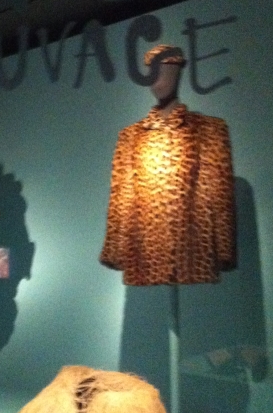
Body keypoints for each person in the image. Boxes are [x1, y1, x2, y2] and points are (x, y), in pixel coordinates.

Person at [100, 44, 236, 285]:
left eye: (164, 70)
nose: (157, 80)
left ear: (178, 71)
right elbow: (121, 199)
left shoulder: (209, 130)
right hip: (145, 250)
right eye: (151, 72)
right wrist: (116, 251)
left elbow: (220, 195)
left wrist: (223, 251)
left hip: (193, 248)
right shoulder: (130, 136)